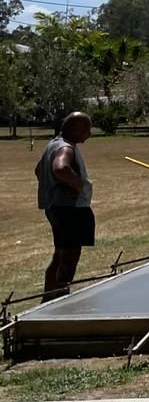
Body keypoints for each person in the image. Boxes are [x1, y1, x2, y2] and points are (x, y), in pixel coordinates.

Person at [35, 112, 95, 301]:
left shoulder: (53, 144)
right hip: (71, 210)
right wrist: (77, 185)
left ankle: (48, 298)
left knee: (60, 254)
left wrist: (53, 188)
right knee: (69, 257)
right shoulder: (66, 148)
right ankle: (60, 298)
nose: (89, 133)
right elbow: (60, 168)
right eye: (86, 129)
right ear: (74, 129)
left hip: (56, 208)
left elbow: (38, 170)